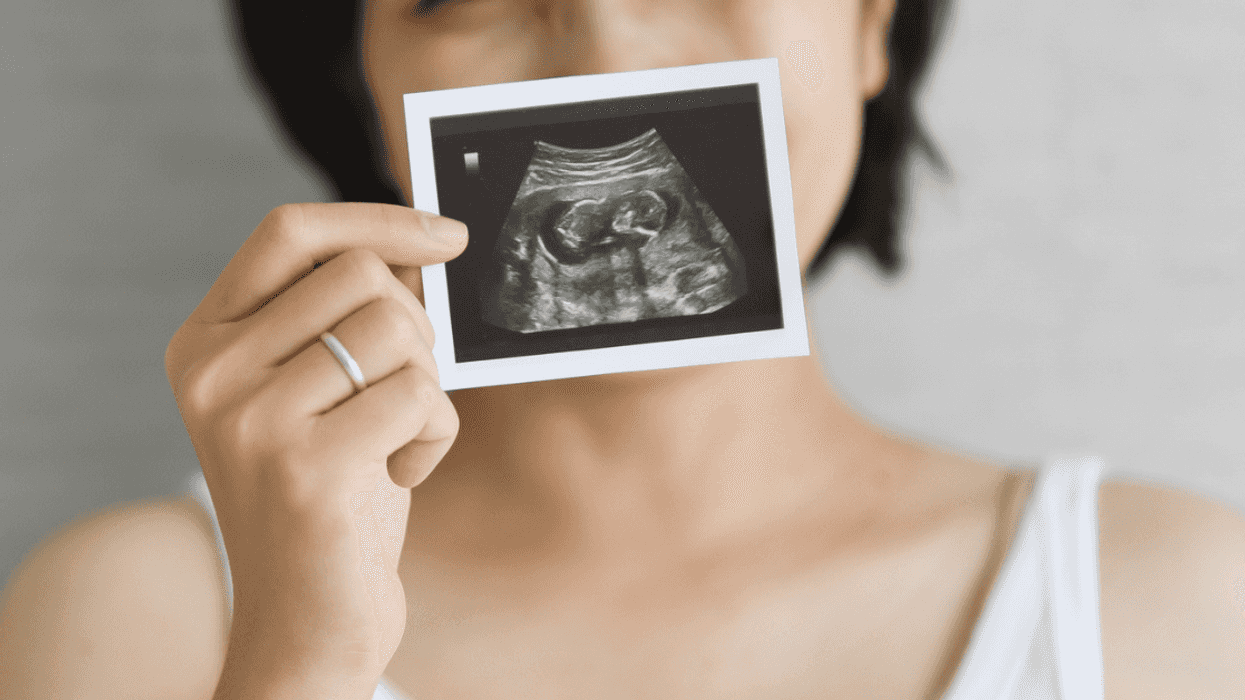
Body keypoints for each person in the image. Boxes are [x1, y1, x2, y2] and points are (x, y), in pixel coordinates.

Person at [2, 0, 1243, 698]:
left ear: (872, 27)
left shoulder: (1190, 610)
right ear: (364, 94)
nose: (602, 46)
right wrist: (302, 658)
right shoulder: (149, 618)